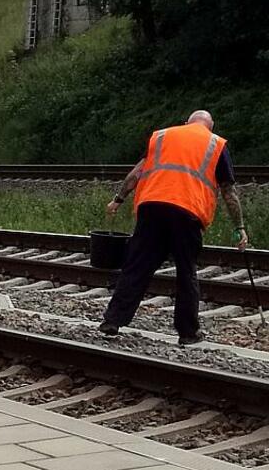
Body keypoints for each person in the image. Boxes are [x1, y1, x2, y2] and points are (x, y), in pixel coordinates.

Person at [99, 110, 248, 345]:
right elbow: (229, 192)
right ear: (210, 126)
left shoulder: (162, 136)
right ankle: (188, 333)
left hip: (151, 206)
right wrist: (239, 227)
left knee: (137, 265)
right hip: (187, 212)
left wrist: (118, 199)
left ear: (187, 122)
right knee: (186, 271)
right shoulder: (216, 144)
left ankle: (112, 320)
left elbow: (136, 173)